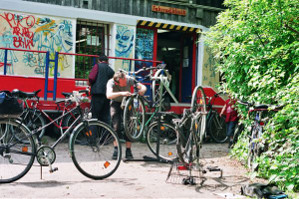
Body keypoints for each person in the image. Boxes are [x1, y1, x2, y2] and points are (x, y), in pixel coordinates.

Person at [106, 70, 147, 160]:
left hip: (128, 102)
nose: (124, 84)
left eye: (125, 82)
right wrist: (121, 93)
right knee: (116, 126)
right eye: (122, 83)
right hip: (116, 102)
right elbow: (108, 95)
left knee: (129, 127)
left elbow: (142, 87)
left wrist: (142, 89)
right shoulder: (111, 82)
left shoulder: (129, 79)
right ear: (116, 82)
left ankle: (128, 150)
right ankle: (116, 149)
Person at [88, 54, 114, 125]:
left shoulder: (97, 66)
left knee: (94, 116)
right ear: (107, 61)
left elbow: (91, 78)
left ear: (99, 60)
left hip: (96, 94)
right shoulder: (110, 69)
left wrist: (90, 83)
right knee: (105, 116)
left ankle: (93, 135)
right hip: (106, 95)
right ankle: (106, 135)